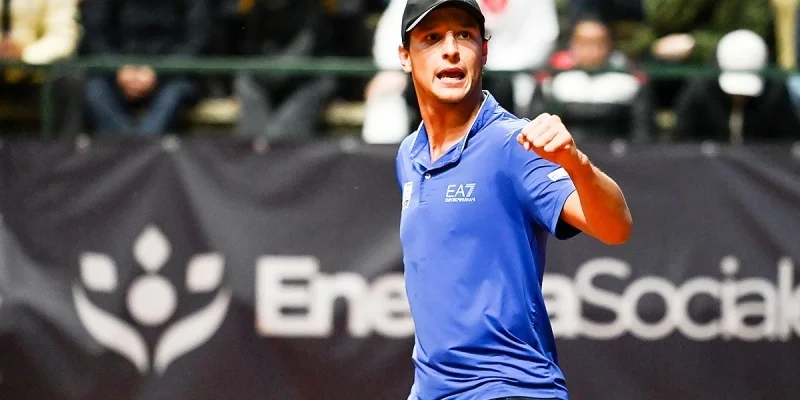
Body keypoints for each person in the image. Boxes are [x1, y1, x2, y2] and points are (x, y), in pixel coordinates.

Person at [394, 1, 633, 399]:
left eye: (464, 35)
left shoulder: (514, 144)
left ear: (484, 51)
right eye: (432, 38)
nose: (451, 50)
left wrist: (576, 164)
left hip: (510, 388)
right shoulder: (409, 155)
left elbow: (616, 227)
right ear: (405, 57)